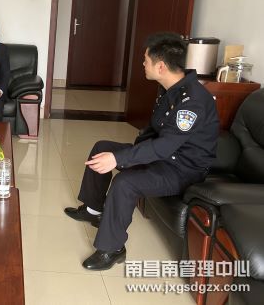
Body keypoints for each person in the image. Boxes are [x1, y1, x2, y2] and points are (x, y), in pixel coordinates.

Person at [64, 32, 219, 271]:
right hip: (162, 156)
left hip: (182, 169)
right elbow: (155, 133)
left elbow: (165, 146)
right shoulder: (170, 89)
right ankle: (93, 210)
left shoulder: (193, 101)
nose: (142, 64)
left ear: (161, 66)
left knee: (125, 183)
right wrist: (128, 155)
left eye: (145, 60)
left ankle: (112, 249)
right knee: (102, 148)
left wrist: (120, 159)